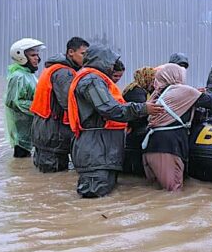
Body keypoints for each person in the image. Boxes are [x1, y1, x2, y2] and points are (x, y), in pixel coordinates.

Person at [67, 45, 159, 198]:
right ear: (101, 61)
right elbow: (110, 109)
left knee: (104, 197)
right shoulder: (91, 80)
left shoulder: (96, 80)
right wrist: (143, 109)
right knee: (93, 197)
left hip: (103, 151)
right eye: (110, 62)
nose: (112, 66)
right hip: (96, 151)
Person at [142, 64, 212, 192]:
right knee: (173, 193)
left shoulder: (159, 93)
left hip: (151, 146)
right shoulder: (184, 91)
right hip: (168, 148)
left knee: (155, 191)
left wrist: (196, 92)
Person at [30, 36, 89, 172]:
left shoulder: (54, 68)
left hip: (43, 131)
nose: (86, 58)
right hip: (53, 134)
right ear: (70, 52)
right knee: (53, 179)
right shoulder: (64, 73)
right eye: (83, 54)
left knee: (44, 179)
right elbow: (70, 104)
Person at [5, 38, 44, 158]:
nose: (37, 58)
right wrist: (40, 109)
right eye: (33, 55)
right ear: (21, 56)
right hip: (21, 129)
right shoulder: (19, 76)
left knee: (26, 160)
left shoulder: (28, 75)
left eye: (37, 55)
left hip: (29, 127)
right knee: (21, 161)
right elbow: (14, 102)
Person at [122, 67, 157, 176]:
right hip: (135, 131)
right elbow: (140, 113)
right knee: (136, 159)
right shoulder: (137, 91)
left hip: (131, 130)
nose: (154, 83)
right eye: (153, 80)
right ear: (146, 78)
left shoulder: (137, 89)